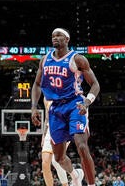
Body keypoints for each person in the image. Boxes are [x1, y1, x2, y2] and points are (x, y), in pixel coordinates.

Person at [31, 28, 100, 186]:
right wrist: (34, 107)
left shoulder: (77, 59)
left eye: (58, 35)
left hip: (75, 104)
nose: (54, 38)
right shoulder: (45, 60)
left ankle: (91, 184)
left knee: (81, 146)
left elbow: (95, 84)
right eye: (53, 36)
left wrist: (87, 102)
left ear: (67, 39)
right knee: (58, 158)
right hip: (55, 108)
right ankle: (75, 174)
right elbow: (36, 84)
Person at [41, 99, 70, 186]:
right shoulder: (46, 97)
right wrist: (44, 134)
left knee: (56, 160)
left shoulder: (65, 92)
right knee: (45, 163)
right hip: (50, 130)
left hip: (63, 129)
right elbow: (47, 118)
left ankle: (66, 184)